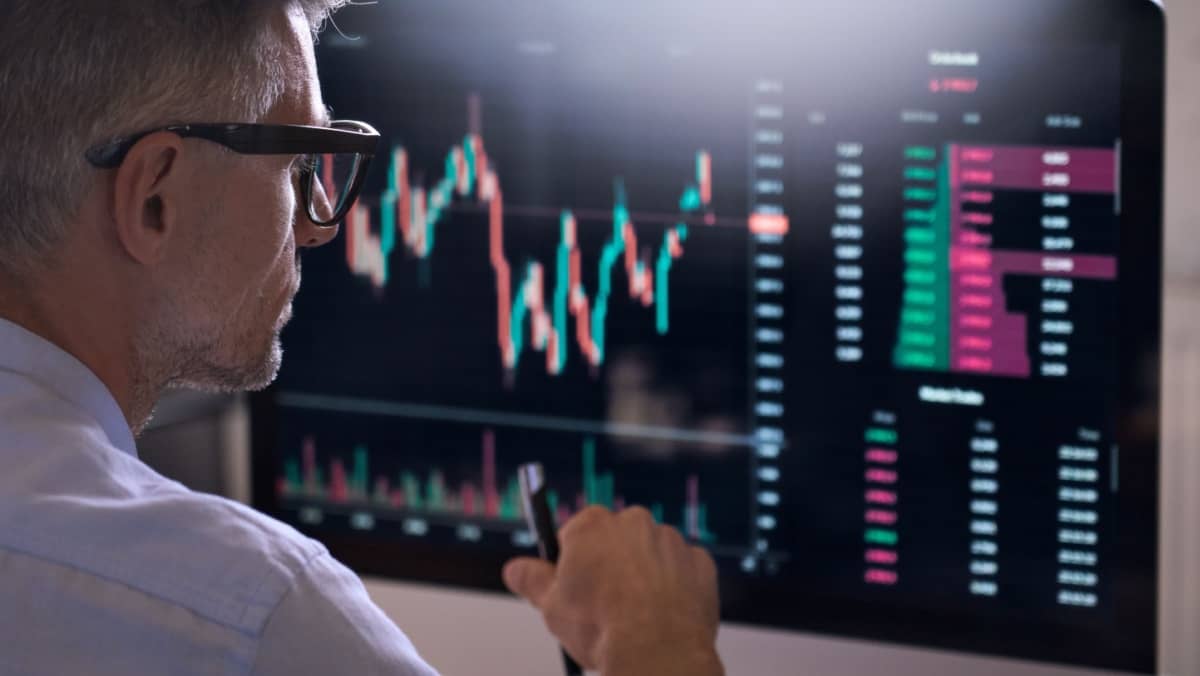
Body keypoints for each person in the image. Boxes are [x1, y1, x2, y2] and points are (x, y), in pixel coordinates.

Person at [0, 1, 723, 675]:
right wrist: (659, 644)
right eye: (296, 165)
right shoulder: (249, 614)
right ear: (154, 196)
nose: (318, 225)